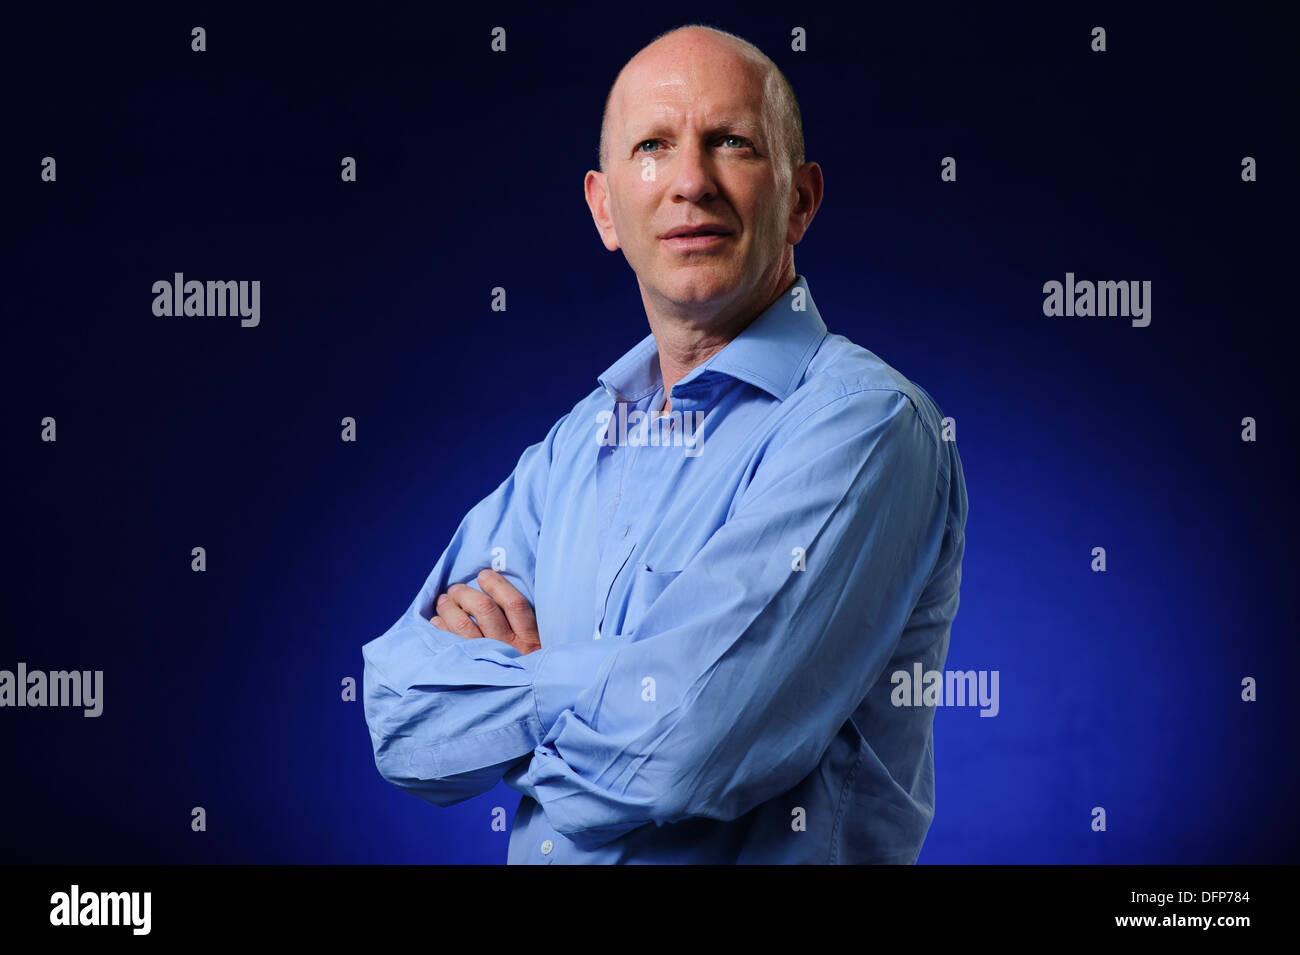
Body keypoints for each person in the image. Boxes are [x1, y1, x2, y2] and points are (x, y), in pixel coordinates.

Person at [362, 23, 969, 864]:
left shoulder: (866, 427)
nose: (691, 181)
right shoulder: (576, 445)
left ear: (801, 199)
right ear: (606, 209)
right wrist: (612, 684)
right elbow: (400, 715)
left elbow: (687, 748)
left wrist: (518, 690)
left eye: (732, 143)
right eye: (653, 146)